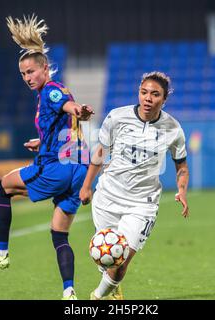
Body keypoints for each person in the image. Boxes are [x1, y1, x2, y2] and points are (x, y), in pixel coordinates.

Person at [0, 15, 94, 300]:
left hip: (58, 168)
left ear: (44, 68)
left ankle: (1, 253)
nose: (28, 78)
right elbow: (64, 126)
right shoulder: (56, 89)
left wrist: (79, 110)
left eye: (31, 71)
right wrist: (42, 142)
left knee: (1, 186)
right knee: (59, 234)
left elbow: (67, 107)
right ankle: (69, 292)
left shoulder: (51, 92)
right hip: (79, 171)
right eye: (23, 74)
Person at [79, 71, 189, 300]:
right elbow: (100, 152)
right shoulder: (117, 117)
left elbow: (181, 167)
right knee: (107, 255)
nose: (148, 98)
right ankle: (111, 286)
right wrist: (87, 185)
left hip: (142, 203)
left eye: (155, 94)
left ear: (164, 99)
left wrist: (181, 191)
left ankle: (97, 297)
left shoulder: (173, 129)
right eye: (144, 92)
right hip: (108, 196)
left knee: (122, 258)